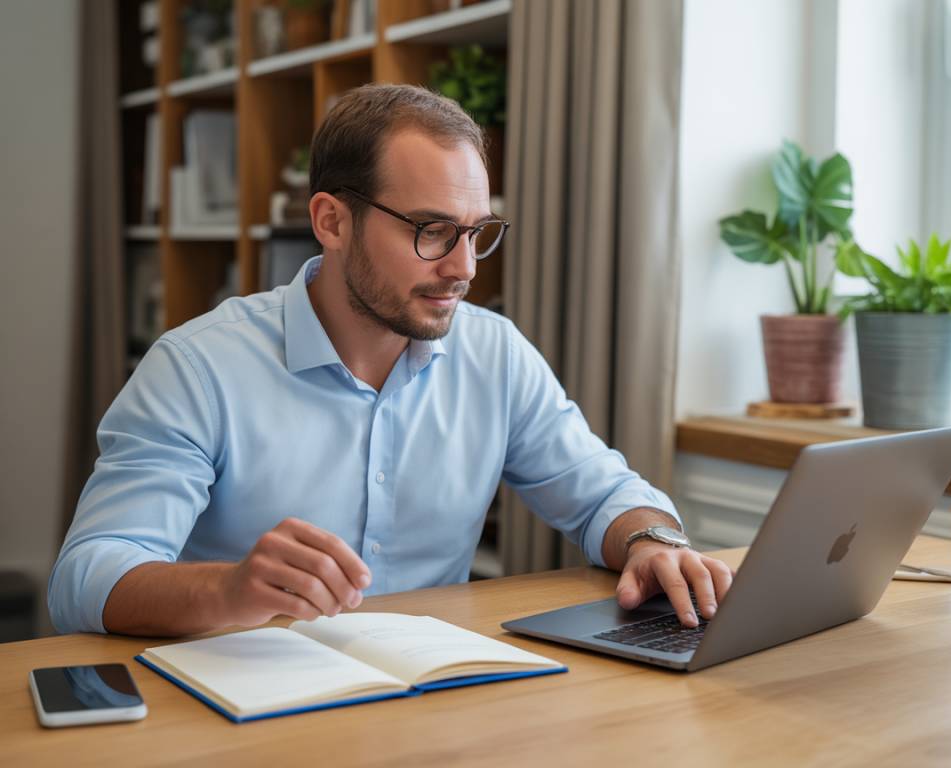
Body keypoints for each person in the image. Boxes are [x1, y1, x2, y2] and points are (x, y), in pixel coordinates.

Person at [48, 84, 732, 637]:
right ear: (331, 221)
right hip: (241, 711)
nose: (464, 268)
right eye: (433, 232)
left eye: (476, 233)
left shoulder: (492, 352)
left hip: (430, 706)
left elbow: (604, 494)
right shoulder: (197, 369)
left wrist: (653, 542)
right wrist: (228, 589)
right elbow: (86, 578)